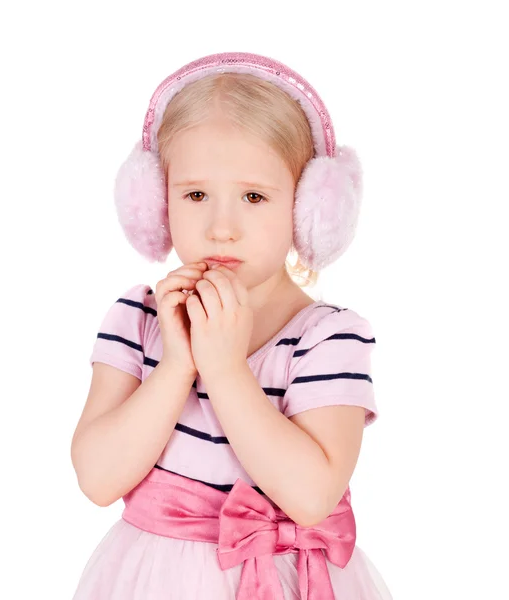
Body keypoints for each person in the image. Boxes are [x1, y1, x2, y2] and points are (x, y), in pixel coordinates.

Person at [70, 51, 394, 599]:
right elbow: (98, 480)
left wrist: (223, 369)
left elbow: (311, 496)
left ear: (308, 208)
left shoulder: (327, 338)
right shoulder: (141, 319)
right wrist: (177, 365)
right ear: (155, 202)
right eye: (195, 194)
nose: (222, 228)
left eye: (254, 197)